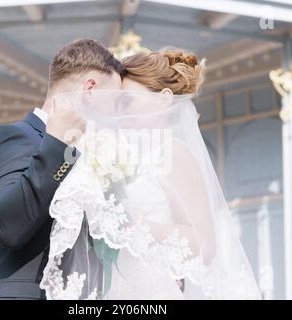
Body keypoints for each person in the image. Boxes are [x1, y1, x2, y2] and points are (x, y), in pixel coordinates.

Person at [41, 48, 261, 300]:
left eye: (126, 102)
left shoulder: (174, 154)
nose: (118, 112)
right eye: (116, 103)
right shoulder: (112, 151)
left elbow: (204, 246)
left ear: (164, 99)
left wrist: (133, 226)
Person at [0, 39, 124, 300]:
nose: (115, 115)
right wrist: (56, 144)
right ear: (90, 89)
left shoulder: (90, 156)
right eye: (113, 102)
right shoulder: (11, 138)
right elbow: (8, 228)